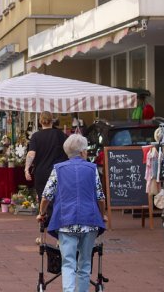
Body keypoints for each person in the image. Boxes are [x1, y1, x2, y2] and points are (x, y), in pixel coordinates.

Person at [37, 134, 107, 292]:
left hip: (65, 220)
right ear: (82, 152)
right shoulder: (92, 168)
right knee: (85, 264)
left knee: (68, 263)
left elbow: (46, 195)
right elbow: (100, 197)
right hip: (89, 220)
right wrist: (102, 215)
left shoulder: (58, 169)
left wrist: (42, 213)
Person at [26, 112, 69, 198]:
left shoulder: (35, 136)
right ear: (52, 121)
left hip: (41, 173)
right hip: (57, 172)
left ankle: (44, 211)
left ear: (40, 121)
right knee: (57, 199)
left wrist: (26, 169)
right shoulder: (60, 135)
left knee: (43, 199)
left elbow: (31, 154)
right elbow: (69, 150)